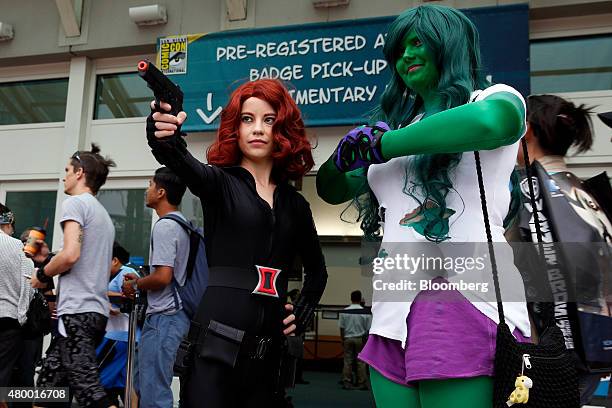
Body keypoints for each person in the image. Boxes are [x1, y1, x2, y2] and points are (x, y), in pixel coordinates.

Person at [316, 5, 531, 407]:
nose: (406, 57)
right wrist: (341, 157)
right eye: (399, 50)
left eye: (418, 43)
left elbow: (491, 124)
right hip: (391, 310)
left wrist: (380, 146)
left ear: (449, 46)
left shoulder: (494, 98)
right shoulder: (400, 129)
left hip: (463, 299)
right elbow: (331, 190)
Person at [146, 78, 328, 407]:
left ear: (283, 128)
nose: (257, 128)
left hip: (271, 355)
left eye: (269, 119)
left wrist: (300, 314)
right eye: (247, 119)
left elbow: (318, 273)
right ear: (236, 127)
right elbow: (172, 153)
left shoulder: (295, 205)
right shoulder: (218, 182)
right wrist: (162, 128)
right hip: (215, 342)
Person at [517, 94, 611, 406]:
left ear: (526, 130)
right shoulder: (585, 192)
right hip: (592, 346)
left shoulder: (526, 195)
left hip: (545, 355)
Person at [31, 144, 117, 408]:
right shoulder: (102, 215)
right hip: (91, 314)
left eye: (67, 170)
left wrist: (42, 275)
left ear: (79, 173)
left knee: (90, 391)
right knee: (46, 389)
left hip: (77, 313)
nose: (63, 176)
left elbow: (71, 254)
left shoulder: (75, 203)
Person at [121, 167, 190, 408]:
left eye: (150, 185)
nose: (146, 190)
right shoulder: (182, 224)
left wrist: (135, 284)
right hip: (171, 315)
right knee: (146, 382)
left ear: (161, 192)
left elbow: (163, 277)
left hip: (165, 317)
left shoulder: (165, 226)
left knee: (153, 390)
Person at [96, 242, 139, 407]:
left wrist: (103, 297)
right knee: (125, 383)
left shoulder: (127, 273)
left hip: (118, 337)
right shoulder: (115, 275)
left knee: (99, 381)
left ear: (114, 260)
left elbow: (130, 296)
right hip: (119, 336)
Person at [0, 204, 34, 398]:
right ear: (7, 223)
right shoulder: (15, 246)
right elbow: (28, 284)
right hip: (8, 318)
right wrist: (22, 315)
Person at [339, 290, 371, 390]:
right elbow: (368, 329)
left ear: (351, 298)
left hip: (348, 338)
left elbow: (341, 327)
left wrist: (342, 339)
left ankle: (347, 382)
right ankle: (362, 383)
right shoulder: (365, 312)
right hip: (360, 339)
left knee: (347, 361)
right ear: (360, 298)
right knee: (361, 362)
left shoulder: (345, 311)